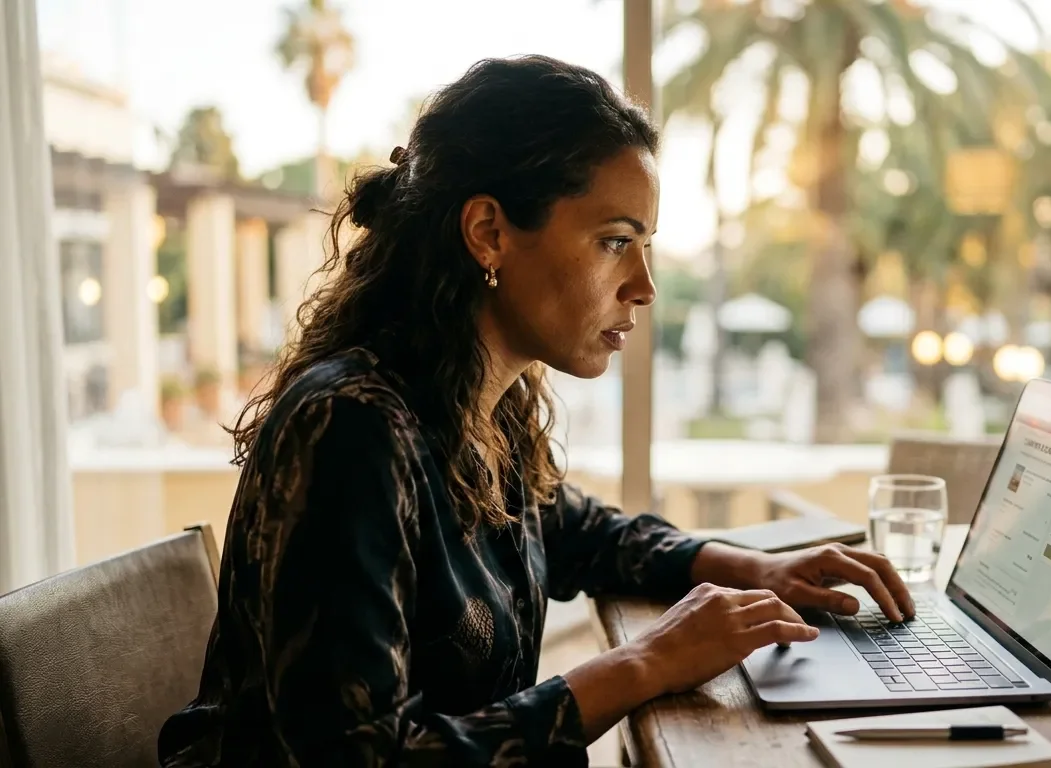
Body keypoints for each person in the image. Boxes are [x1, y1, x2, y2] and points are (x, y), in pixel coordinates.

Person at [158, 55, 914, 767]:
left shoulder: (478, 400)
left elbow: (576, 530)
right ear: (489, 232)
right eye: (614, 242)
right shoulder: (350, 429)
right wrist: (643, 663)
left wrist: (753, 568)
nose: (645, 286)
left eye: (643, 244)